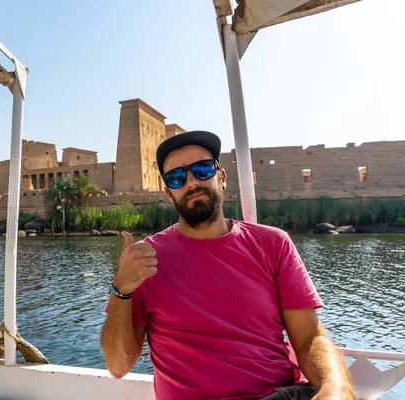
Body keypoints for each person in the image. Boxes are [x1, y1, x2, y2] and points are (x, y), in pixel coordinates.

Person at [101, 131, 355, 400]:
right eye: (177, 177)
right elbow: (118, 366)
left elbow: (308, 338)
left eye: (202, 170)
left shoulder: (273, 244)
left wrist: (336, 387)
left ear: (221, 178)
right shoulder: (145, 260)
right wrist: (121, 288)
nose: (191, 183)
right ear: (168, 193)